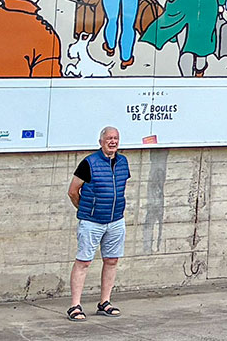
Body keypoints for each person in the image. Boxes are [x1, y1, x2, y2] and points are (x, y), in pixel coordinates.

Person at [66, 126, 129, 322]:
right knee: (84, 261)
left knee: (112, 260)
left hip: (116, 220)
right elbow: (73, 191)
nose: (113, 141)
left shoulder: (123, 162)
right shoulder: (89, 163)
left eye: (116, 138)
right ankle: (75, 306)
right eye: (109, 138)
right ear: (101, 141)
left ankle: (105, 302)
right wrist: (84, 211)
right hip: (91, 222)